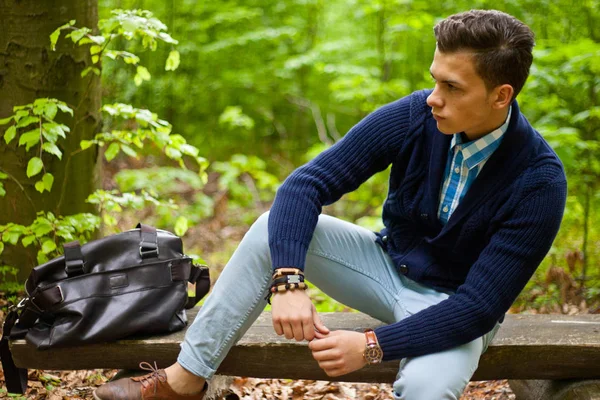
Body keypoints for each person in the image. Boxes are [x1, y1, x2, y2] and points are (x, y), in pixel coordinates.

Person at [94, 9, 567, 400]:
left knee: (427, 386)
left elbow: (480, 307)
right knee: (269, 227)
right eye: (434, 82)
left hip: (454, 310)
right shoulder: (414, 114)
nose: (434, 100)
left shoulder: (539, 181)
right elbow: (303, 187)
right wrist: (288, 280)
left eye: (452, 88)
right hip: (386, 269)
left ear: (501, 96)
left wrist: (371, 345)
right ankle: (185, 379)